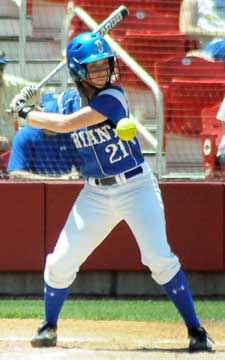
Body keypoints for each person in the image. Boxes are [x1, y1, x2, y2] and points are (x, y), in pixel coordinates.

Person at [10, 32, 213, 352]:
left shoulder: (113, 97)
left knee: (158, 257)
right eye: (94, 67)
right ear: (78, 72)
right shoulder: (65, 102)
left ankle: (196, 330)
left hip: (135, 186)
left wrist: (25, 113)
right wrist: (32, 102)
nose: (103, 72)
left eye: (105, 65)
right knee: (60, 261)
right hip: (95, 194)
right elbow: (50, 122)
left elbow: (64, 125)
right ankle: (48, 325)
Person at [7, 94, 80, 181]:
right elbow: (15, 174)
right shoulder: (25, 134)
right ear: (40, 114)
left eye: (57, 116)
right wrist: (58, 179)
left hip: (64, 189)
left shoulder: (70, 135)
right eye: (49, 115)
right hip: (33, 189)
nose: (53, 121)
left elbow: (85, 169)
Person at [0, 50, 38, 152]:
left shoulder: (12, 85)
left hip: (10, 153)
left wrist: (30, 95)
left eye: (1, 68)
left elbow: (37, 89)